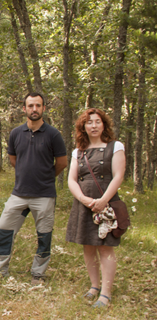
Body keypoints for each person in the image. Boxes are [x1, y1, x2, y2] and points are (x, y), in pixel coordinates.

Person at [0, 93, 67, 284]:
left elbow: (62, 162)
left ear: (43, 108)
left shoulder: (53, 134)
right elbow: (13, 159)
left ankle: (38, 273)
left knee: (44, 235)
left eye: (38, 105)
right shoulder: (16, 133)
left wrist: (46, 177)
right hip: (19, 194)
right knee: (4, 229)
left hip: (44, 195)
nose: (34, 109)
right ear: (25, 109)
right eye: (30, 106)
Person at [66, 108, 125, 308]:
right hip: (85, 204)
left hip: (106, 205)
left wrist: (103, 200)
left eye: (97, 121)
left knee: (106, 248)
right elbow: (72, 180)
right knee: (88, 246)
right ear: (83, 126)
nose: (93, 125)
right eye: (89, 122)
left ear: (104, 124)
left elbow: (118, 176)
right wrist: (83, 199)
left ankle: (106, 294)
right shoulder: (78, 151)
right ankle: (94, 286)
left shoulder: (115, 147)